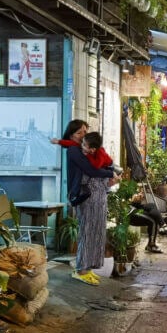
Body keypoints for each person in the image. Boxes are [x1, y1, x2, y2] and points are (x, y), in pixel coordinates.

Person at [63, 121, 117, 285]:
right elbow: (92, 171)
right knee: (87, 232)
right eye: (79, 132)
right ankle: (81, 269)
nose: (82, 136)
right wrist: (110, 172)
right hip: (86, 197)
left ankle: (88, 268)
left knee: (97, 232)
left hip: (99, 196)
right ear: (71, 135)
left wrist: (109, 177)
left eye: (84, 132)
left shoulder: (88, 150)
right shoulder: (74, 150)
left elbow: (103, 165)